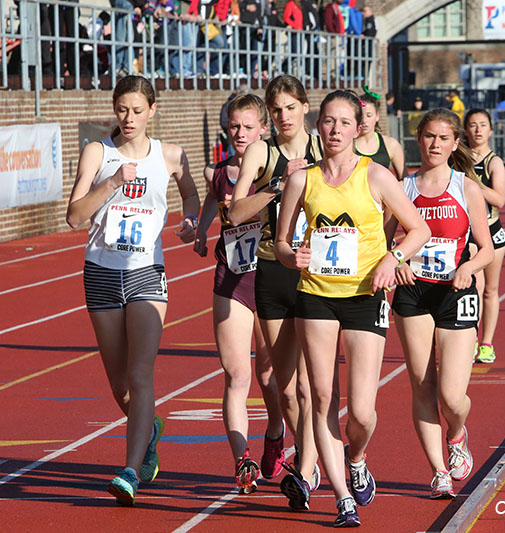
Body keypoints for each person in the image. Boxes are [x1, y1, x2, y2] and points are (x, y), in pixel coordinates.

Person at [274, 90, 430, 527]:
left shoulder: (376, 175)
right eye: (328, 121)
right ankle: (342, 496)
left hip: (365, 295)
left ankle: (355, 456)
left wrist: (391, 259)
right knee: (321, 397)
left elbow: (418, 229)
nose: (335, 130)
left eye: (344, 122)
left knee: (361, 412)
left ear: (359, 127)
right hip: (316, 295)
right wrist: (291, 257)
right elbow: (283, 241)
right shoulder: (302, 179)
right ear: (318, 126)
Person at [65, 75, 200, 506]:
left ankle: (129, 470)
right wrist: (111, 184)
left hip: (146, 272)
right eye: (122, 109)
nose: (129, 118)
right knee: (120, 386)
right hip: (101, 272)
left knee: (142, 376)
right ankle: (151, 431)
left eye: (138, 110)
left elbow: (192, 197)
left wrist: (192, 222)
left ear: (152, 111)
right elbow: (73, 216)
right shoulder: (98, 153)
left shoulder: (171, 155)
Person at [227, 76, 322, 511]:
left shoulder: (325, 147)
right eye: (276, 109)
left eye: (290, 107)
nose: (284, 116)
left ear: (305, 107)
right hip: (271, 267)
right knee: (285, 391)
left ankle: (309, 465)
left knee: (312, 385)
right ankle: (305, 451)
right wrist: (279, 187)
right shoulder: (261, 153)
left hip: (320, 274)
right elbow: (235, 211)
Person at [389, 108, 493, 499]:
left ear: (454, 143)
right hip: (413, 292)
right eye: (429, 137)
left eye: (443, 138)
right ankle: (438, 472)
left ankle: (457, 433)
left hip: (455, 291)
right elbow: (385, 243)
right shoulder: (403, 187)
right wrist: (396, 262)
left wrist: (468, 266)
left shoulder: (466, 187)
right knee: (422, 384)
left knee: (452, 395)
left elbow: (487, 249)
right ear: (419, 138)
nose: (435, 144)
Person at [192, 94, 286, 495]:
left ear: (264, 128)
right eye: (234, 127)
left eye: (249, 127)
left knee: (268, 375)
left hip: (268, 278)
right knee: (236, 374)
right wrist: (199, 231)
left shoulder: (279, 171)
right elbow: (214, 201)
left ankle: (277, 430)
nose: (241, 134)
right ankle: (241, 459)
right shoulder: (220, 172)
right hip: (230, 279)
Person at [463, 109, 505, 364]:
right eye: (472, 125)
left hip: (491, 231)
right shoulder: (458, 158)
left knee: (490, 290)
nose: (478, 130)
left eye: (482, 125)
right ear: (465, 130)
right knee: (473, 288)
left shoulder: (493, 162)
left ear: (491, 130)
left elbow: (500, 199)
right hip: (467, 233)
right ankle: (470, 341)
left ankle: (487, 343)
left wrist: (474, 184)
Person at [355, 91, 407, 179]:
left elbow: (405, 181)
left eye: (369, 115)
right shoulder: (347, 144)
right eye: (361, 116)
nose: (364, 121)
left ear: (377, 116)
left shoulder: (390, 144)